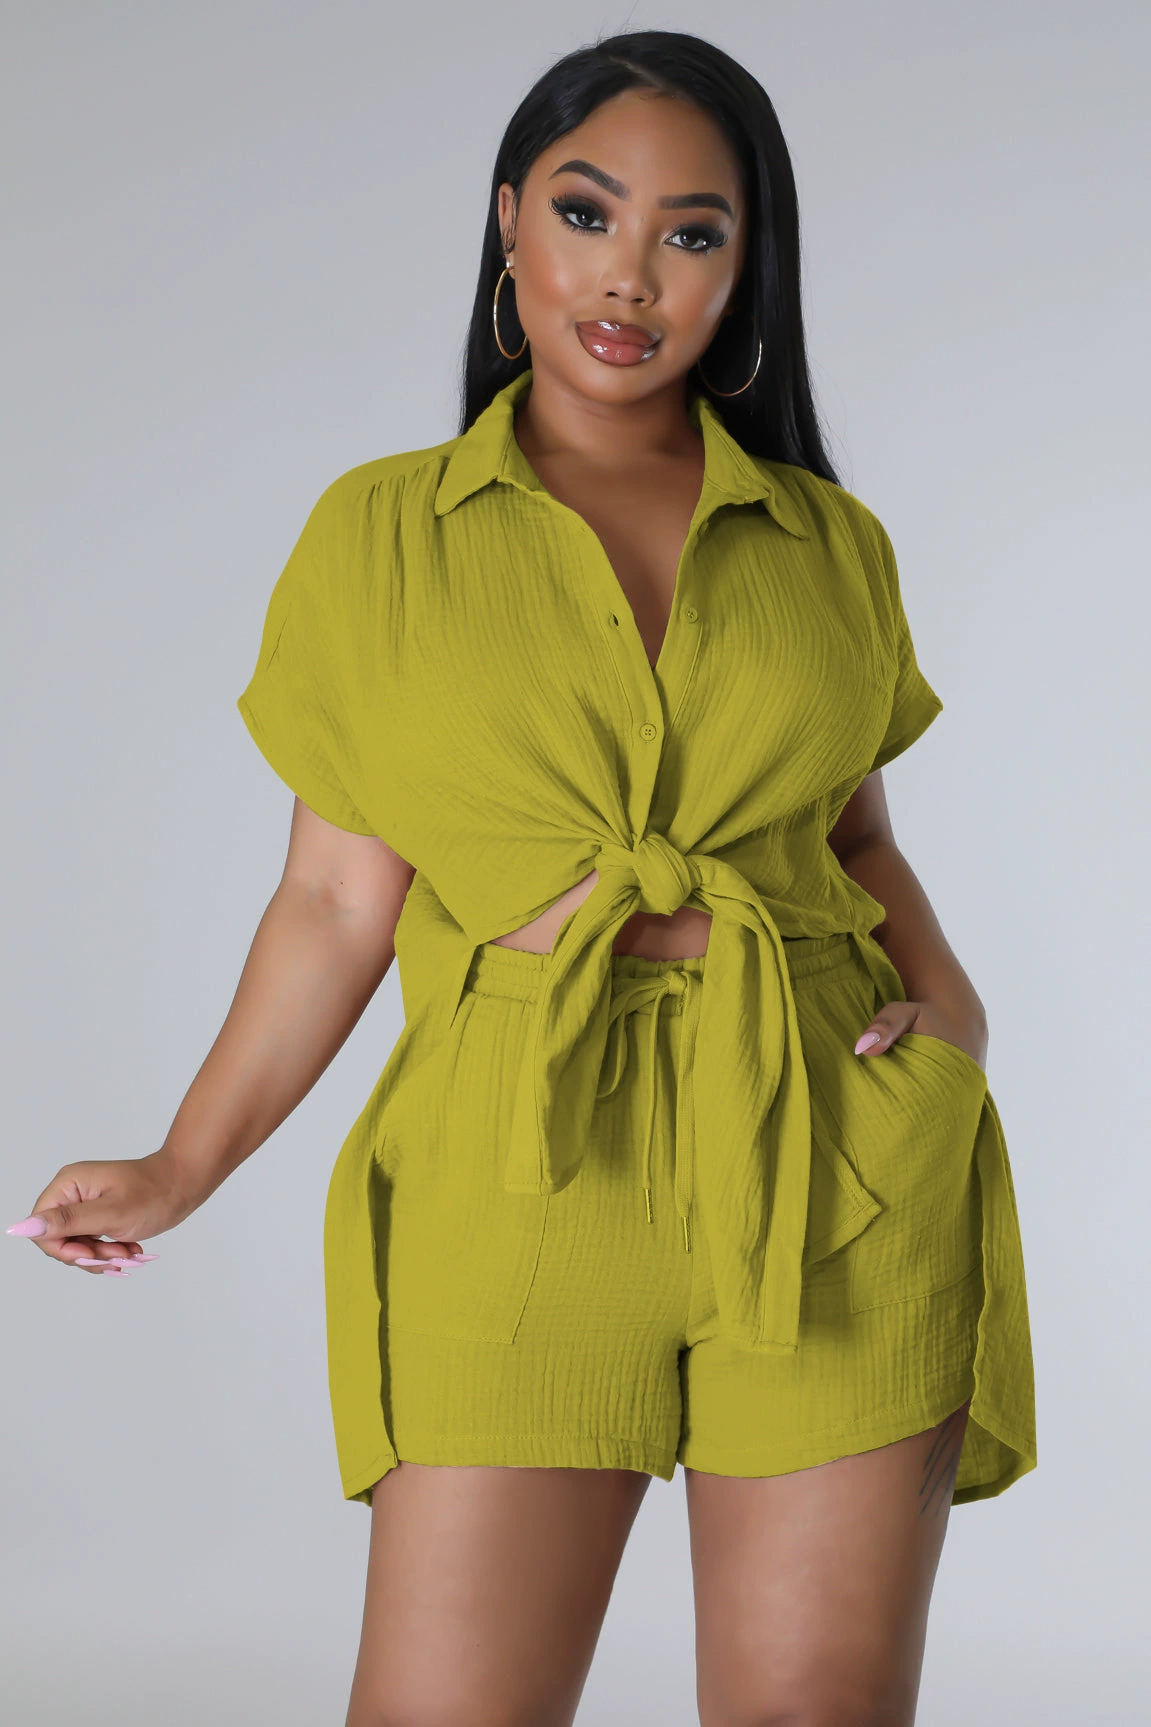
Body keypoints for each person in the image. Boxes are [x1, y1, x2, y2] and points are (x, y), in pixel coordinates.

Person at [7, 29, 1036, 1727]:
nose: (629, 274)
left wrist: (957, 1016)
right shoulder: (381, 535)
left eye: (691, 233)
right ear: (507, 221)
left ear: (746, 268)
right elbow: (336, 899)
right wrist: (185, 1161)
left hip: (830, 1149)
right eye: (584, 210)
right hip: (515, 1159)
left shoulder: (826, 542)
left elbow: (855, 838)